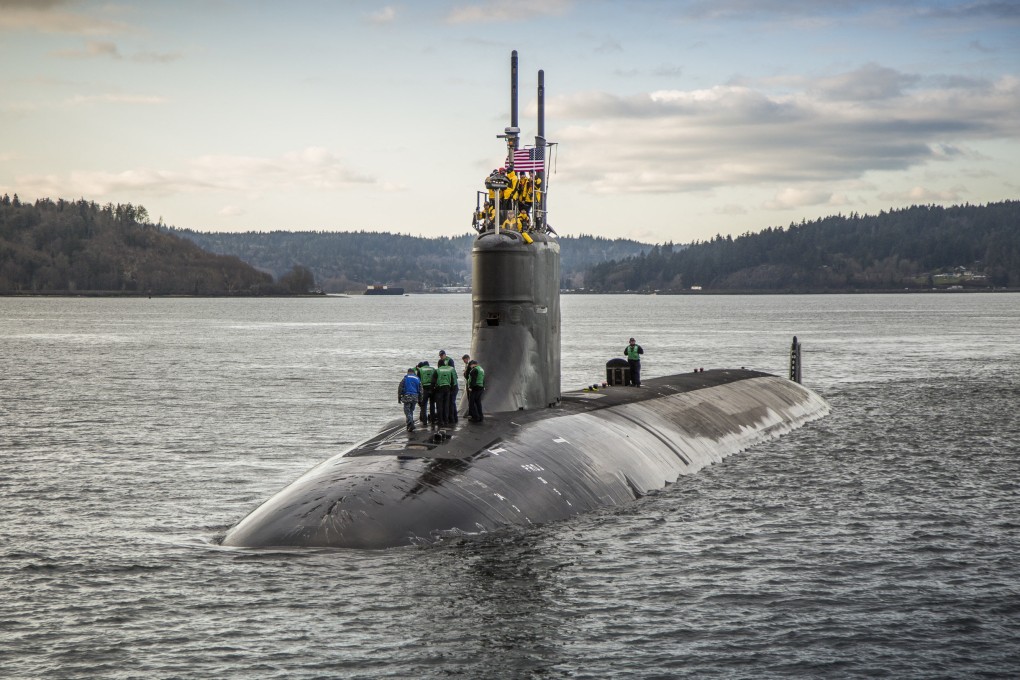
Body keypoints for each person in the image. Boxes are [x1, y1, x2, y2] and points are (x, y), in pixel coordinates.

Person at [434, 355, 457, 427]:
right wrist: (452, 389)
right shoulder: (449, 370)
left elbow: (433, 381)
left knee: (439, 406)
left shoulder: (437, 370)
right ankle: (447, 420)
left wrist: (433, 390)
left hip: (440, 389)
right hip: (448, 389)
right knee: (447, 405)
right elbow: (453, 380)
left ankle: (440, 421)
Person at [415, 361, 437, 425]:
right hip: (432, 389)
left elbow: (418, 381)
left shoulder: (420, 370)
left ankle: (424, 421)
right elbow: (436, 378)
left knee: (423, 405)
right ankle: (433, 420)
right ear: (428, 365)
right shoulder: (433, 369)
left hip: (424, 389)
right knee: (432, 404)